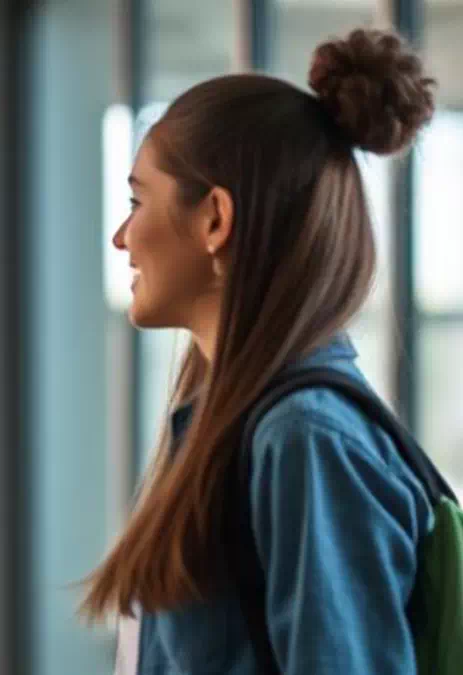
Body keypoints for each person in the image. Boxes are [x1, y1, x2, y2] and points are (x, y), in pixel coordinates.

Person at [83, 28, 438, 674]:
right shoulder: (233, 427)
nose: (121, 235)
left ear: (215, 219)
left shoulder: (303, 439)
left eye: (138, 200)